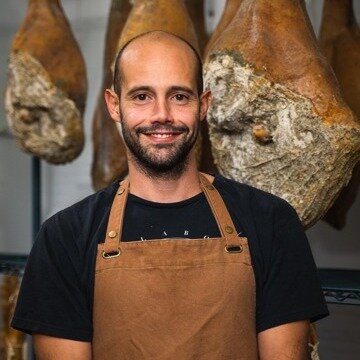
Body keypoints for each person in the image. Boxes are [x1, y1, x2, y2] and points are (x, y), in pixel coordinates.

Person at [12, 31, 328, 359]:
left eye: (179, 96)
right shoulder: (64, 238)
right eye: (141, 96)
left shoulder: (271, 221)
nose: (161, 114)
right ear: (114, 105)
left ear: (203, 105)